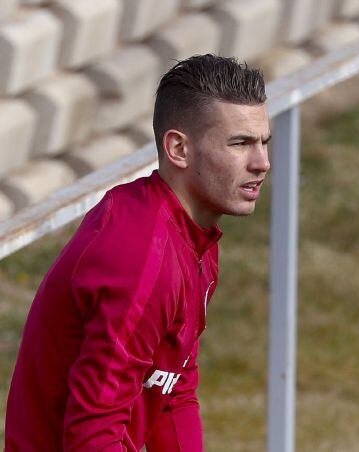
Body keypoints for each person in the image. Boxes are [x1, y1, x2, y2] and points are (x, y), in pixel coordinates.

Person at [5, 54, 271, 451]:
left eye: (264, 142)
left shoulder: (195, 236)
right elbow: (92, 435)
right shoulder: (142, 257)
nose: (262, 163)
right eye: (240, 144)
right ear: (178, 149)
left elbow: (174, 390)